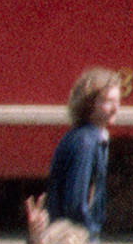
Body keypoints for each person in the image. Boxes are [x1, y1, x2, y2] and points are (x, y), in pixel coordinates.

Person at [50, 70, 121, 233]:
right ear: (88, 103)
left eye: (117, 101)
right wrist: (89, 236)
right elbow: (76, 203)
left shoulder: (89, 137)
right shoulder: (85, 142)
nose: (115, 108)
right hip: (74, 238)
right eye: (108, 102)